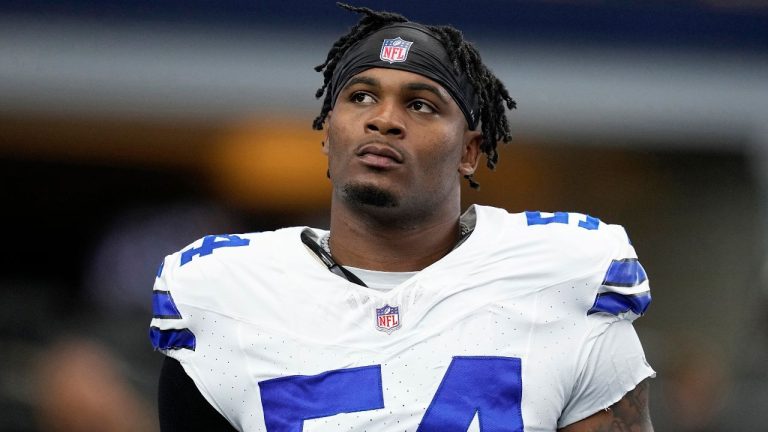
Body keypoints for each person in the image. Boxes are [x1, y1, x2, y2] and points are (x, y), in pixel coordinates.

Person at [149, 3, 655, 431]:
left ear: (469, 152)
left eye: (420, 104)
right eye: (361, 96)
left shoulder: (565, 277)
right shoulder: (223, 293)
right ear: (328, 132)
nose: (384, 119)